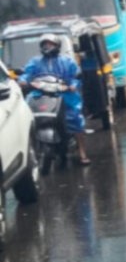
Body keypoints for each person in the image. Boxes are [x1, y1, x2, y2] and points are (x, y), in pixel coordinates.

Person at [19, 33, 90, 166]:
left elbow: (75, 77)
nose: (47, 46)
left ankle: (82, 152)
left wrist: (72, 86)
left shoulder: (67, 61)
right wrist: (23, 81)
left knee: (75, 117)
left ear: (57, 45)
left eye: (50, 44)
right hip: (40, 94)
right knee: (27, 113)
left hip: (63, 94)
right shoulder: (35, 62)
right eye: (44, 44)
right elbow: (26, 74)